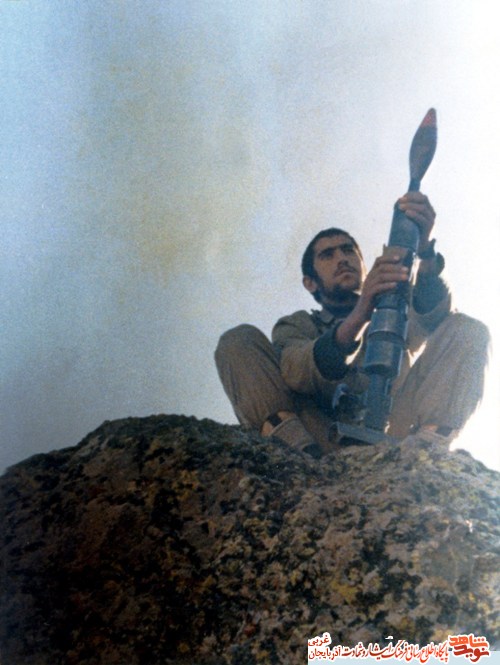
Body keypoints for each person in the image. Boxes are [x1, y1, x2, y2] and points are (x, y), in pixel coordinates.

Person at [215, 192, 490, 457]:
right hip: (318, 437)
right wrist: (360, 314)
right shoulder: (297, 324)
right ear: (310, 283)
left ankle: (424, 453)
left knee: (469, 330)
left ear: (364, 267)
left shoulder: (396, 309)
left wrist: (425, 251)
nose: (342, 259)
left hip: (397, 437)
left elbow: (434, 316)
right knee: (238, 341)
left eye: (348, 250)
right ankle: (297, 459)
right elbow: (296, 371)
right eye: (328, 255)